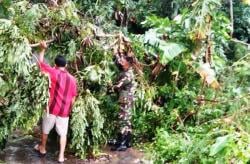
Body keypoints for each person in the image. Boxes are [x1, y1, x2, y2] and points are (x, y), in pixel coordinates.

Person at [34, 41, 77, 163]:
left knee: (45, 130)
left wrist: (42, 50)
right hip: (64, 112)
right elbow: (73, 97)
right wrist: (70, 110)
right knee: (63, 134)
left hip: (51, 108)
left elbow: (40, 65)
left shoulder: (53, 72)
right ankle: (61, 156)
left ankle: (42, 148)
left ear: (55, 64)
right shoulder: (73, 79)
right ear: (66, 65)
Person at [110, 55, 136, 151]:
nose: (120, 61)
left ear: (127, 63)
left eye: (123, 60)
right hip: (125, 99)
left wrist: (111, 87)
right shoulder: (126, 71)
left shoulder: (128, 74)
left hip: (126, 100)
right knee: (126, 120)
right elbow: (116, 62)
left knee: (123, 120)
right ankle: (127, 142)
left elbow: (119, 85)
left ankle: (123, 143)